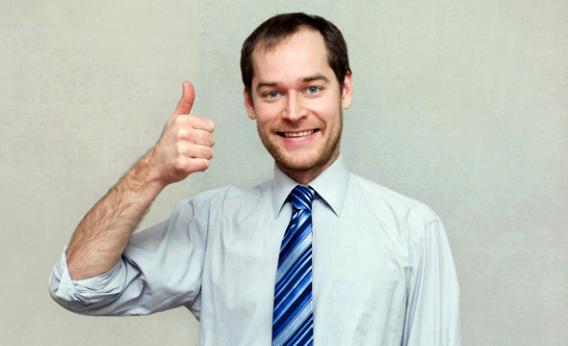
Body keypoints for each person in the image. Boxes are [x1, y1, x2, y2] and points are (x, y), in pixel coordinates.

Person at [49, 12, 461, 346]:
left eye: (313, 88)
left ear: (345, 89)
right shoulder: (211, 223)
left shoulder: (413, 230)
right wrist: (152, 171)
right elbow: (79, 285)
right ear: (250, 102)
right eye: (272, 93)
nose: (294, 111)